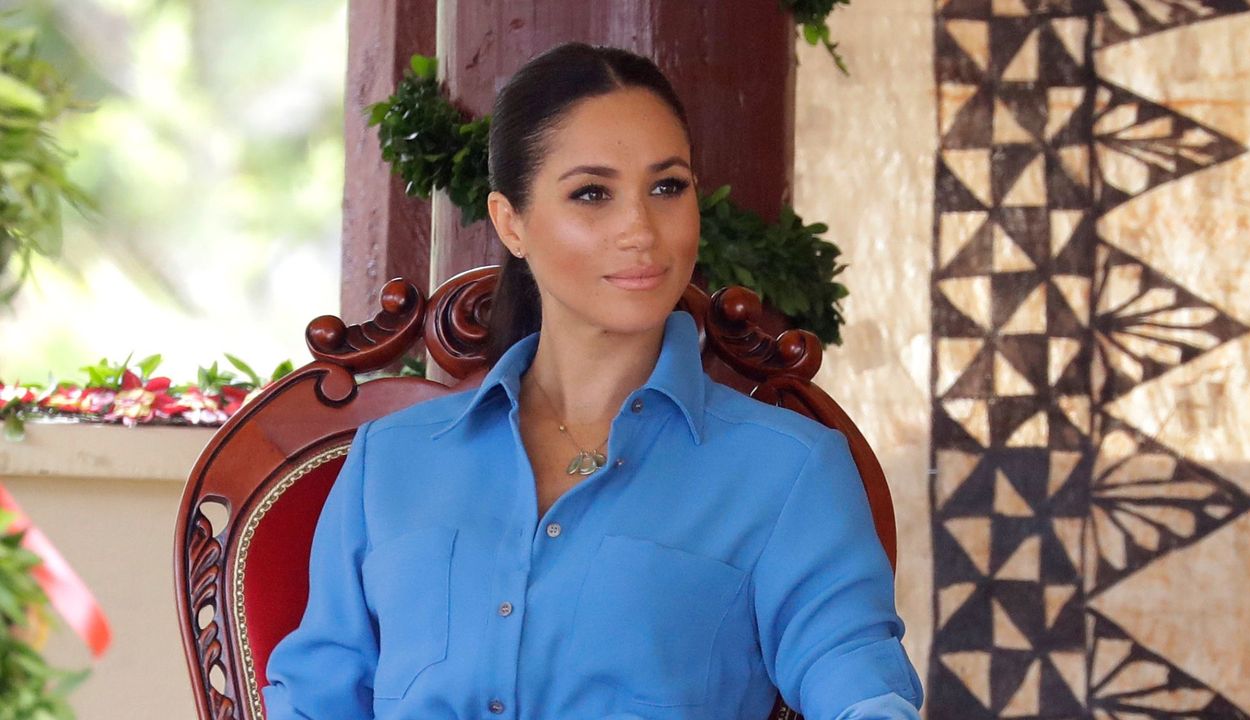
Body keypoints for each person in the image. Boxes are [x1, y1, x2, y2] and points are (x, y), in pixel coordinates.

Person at [262, 42, 923, 720]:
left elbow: (862, 687)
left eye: (667, 187)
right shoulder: (390, 464)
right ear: (510, 222)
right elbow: (313, 702)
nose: (640, 229)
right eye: (592, 194)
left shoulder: (787, 472)